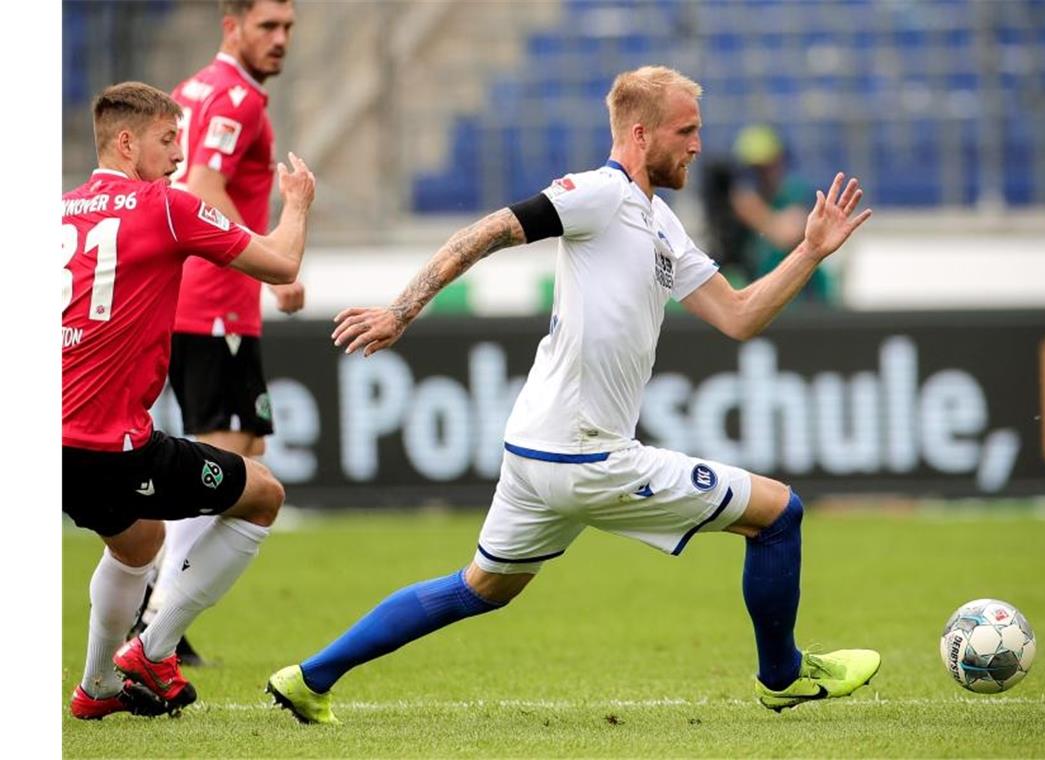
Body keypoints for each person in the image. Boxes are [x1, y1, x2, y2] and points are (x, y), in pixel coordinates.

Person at [266, 66, 875, 725]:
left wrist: (809, 251)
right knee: (779, 515)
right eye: (687, 130)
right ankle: (783, 676)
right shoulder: (598, 193)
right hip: (584, 457)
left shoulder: (658, 219)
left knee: (481, 587)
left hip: (536, 450)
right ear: (641, 134)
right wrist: (401, 312)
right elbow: (485, 232)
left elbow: (739, 315)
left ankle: (309, 677)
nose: (699, 145)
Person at [63, 81, 316, 719]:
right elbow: (282, 264)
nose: (181, 154)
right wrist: (298, 204)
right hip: (110, 446)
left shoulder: (59, 213)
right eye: (169, 139)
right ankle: (153, 650)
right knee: (263, 495)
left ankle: (97, 690)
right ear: (127, 143)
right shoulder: (166, 206)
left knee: (138, 542)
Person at [133, 0, 302, 665]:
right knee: (222, 457)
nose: (280, 39)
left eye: (288, 27)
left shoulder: (192, 90)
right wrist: (270, 256)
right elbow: (202, 186)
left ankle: (148, 605)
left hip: (194, 300)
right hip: (216, 305)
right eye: (267, 26)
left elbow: (170, 181)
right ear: (230, 27)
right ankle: (150, 620)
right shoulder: (237, 99)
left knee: (246, 442)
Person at [704, 125, 836, 304]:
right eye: (752, 170)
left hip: (804, 297)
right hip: (761, 293)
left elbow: (786, 233)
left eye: (764, 168)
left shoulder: (793, 191)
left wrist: (751, 210)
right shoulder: (741, 205)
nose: (760, 176)